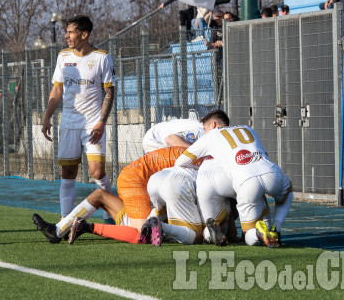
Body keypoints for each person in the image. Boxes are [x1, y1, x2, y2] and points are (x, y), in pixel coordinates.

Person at [175, 110, 293, 248]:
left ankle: (251, 234)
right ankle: (276, 229)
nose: (204, 132)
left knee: (246, 233)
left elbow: (180, 161)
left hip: (240, 181)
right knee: (286, 193)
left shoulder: (211, 136)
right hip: (270, 173)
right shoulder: (248, 129)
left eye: (205, 128)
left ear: (212, 125)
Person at [32, 146, 192, 246]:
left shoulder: (192, 151)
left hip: (138, 187)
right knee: (138, 232)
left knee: (101, 196)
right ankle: (71, 228)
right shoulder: (196, 156)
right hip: (139, 188)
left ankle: (70, 229)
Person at [42, 15, 115, 222]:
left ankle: (109, 214)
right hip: (69, 123)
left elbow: (109, 92)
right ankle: (65, 219)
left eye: (71, 32)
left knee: (97, 171)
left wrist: (102, 121)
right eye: (66, 31)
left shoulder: (102, 57)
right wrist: (47, 117)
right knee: (68, 172)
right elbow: (57, 89)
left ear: (84, 34)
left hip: (93, 123)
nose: (66, 36)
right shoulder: (63, 57)